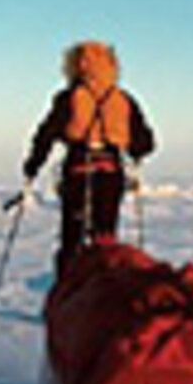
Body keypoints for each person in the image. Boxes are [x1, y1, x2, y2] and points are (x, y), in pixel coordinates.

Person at [22, 40, 156, 280]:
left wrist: (33, 166)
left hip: (78, 169)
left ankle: (66, 293)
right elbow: (145, 143)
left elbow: (46, 134)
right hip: (110, 172)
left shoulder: (69, 97)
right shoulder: (123, 99)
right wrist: (132, 151)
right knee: (105, 237)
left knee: (71, 237)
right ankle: (102, 295)